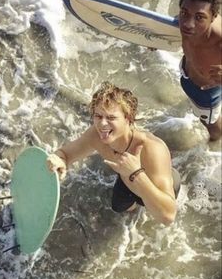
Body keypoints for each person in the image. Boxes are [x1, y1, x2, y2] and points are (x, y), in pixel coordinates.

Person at [47, 82, 180, 226]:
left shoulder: (152, 149)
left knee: (152, 209)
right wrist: (59, 159)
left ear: (128, 119)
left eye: (111, 118)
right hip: (127, 178)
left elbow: (168, 216)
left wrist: (136, 173)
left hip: (153, 183)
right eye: (98, 116)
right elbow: (66, 154)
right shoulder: (96, 136)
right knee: (119, 207)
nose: (102, 124)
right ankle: (134, 206)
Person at [178, 0, 222, 141]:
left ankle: (214, 145)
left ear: (213, 16)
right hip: (186, 72)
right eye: (184, 12)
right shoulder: (181, 21)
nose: (188, 24)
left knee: (212, 125)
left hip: (206, 93)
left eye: (199, 17)